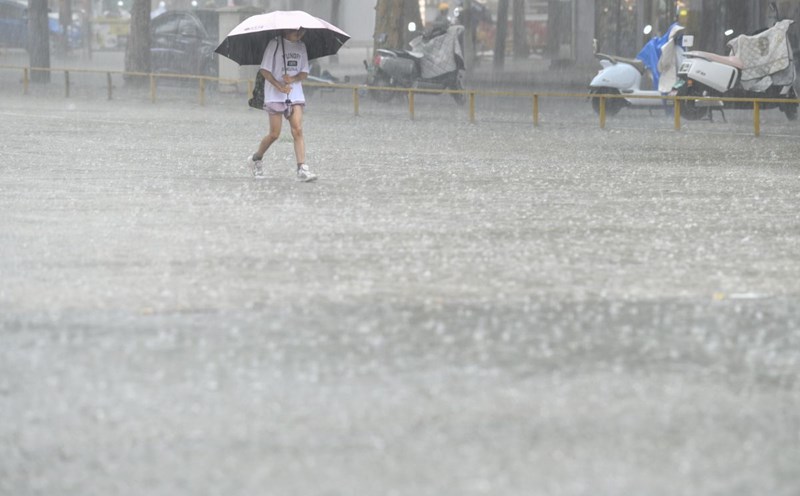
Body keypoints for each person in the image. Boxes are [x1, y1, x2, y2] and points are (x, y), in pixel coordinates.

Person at [247, 28, 316, 182]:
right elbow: (264, 70)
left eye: (302, 31)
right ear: (286, 30)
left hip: (295, 93)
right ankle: (256, 159)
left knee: (297, 130)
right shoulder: (274, 44)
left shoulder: (301, 46)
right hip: (274, 94)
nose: (300, 34)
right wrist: (279, 86)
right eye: (296, 31)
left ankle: (302, 168)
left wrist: (292, 79)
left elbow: (304, 73)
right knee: (274, 134)